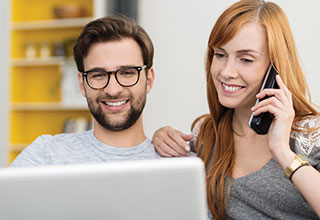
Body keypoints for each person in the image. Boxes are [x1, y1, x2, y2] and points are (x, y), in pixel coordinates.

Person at [152, 0, 320, 219]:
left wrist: (282, 151)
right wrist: (160, 140)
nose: (227, 71)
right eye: (220, 55)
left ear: (275, 67)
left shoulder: (311, 134)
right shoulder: (205, 133)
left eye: (246, 59)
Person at [10, 15, 160, 167]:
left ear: (148, 80)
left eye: (127, 73)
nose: (113, 90)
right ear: (82, 84)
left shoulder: (176, 159)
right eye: (98, 75)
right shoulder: (45, 154)